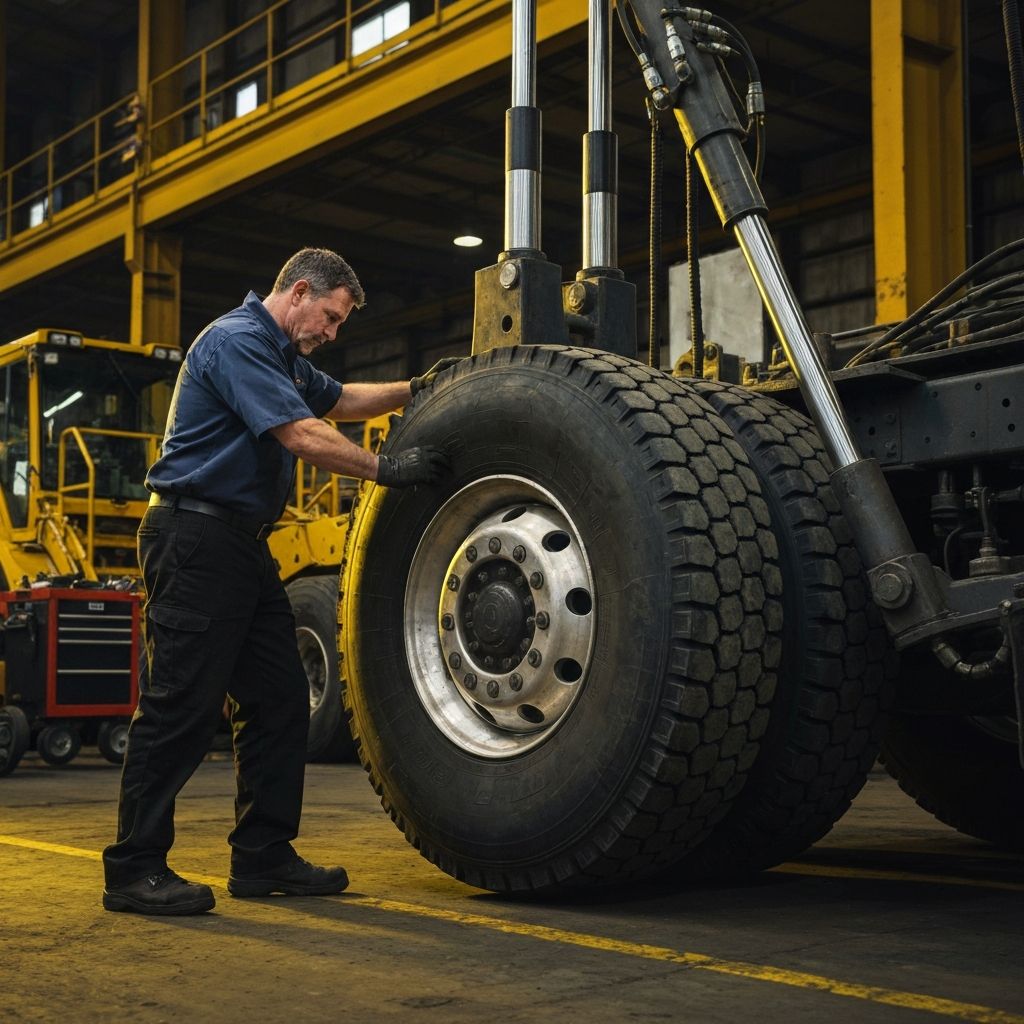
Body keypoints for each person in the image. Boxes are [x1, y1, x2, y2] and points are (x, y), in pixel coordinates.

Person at [102, 247, 453, 916]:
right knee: (181, 705)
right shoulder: (236, 342)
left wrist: (418, 387)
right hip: (194, 537)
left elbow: (342, 399)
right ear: (297, 292)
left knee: (280, 699)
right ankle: (133, 869)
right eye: (330, 316)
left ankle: (262, 857)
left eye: (340, 323)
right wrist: (388, 468)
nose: (332, 332)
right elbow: (299, 433)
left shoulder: (284, 356)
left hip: (239, 545)